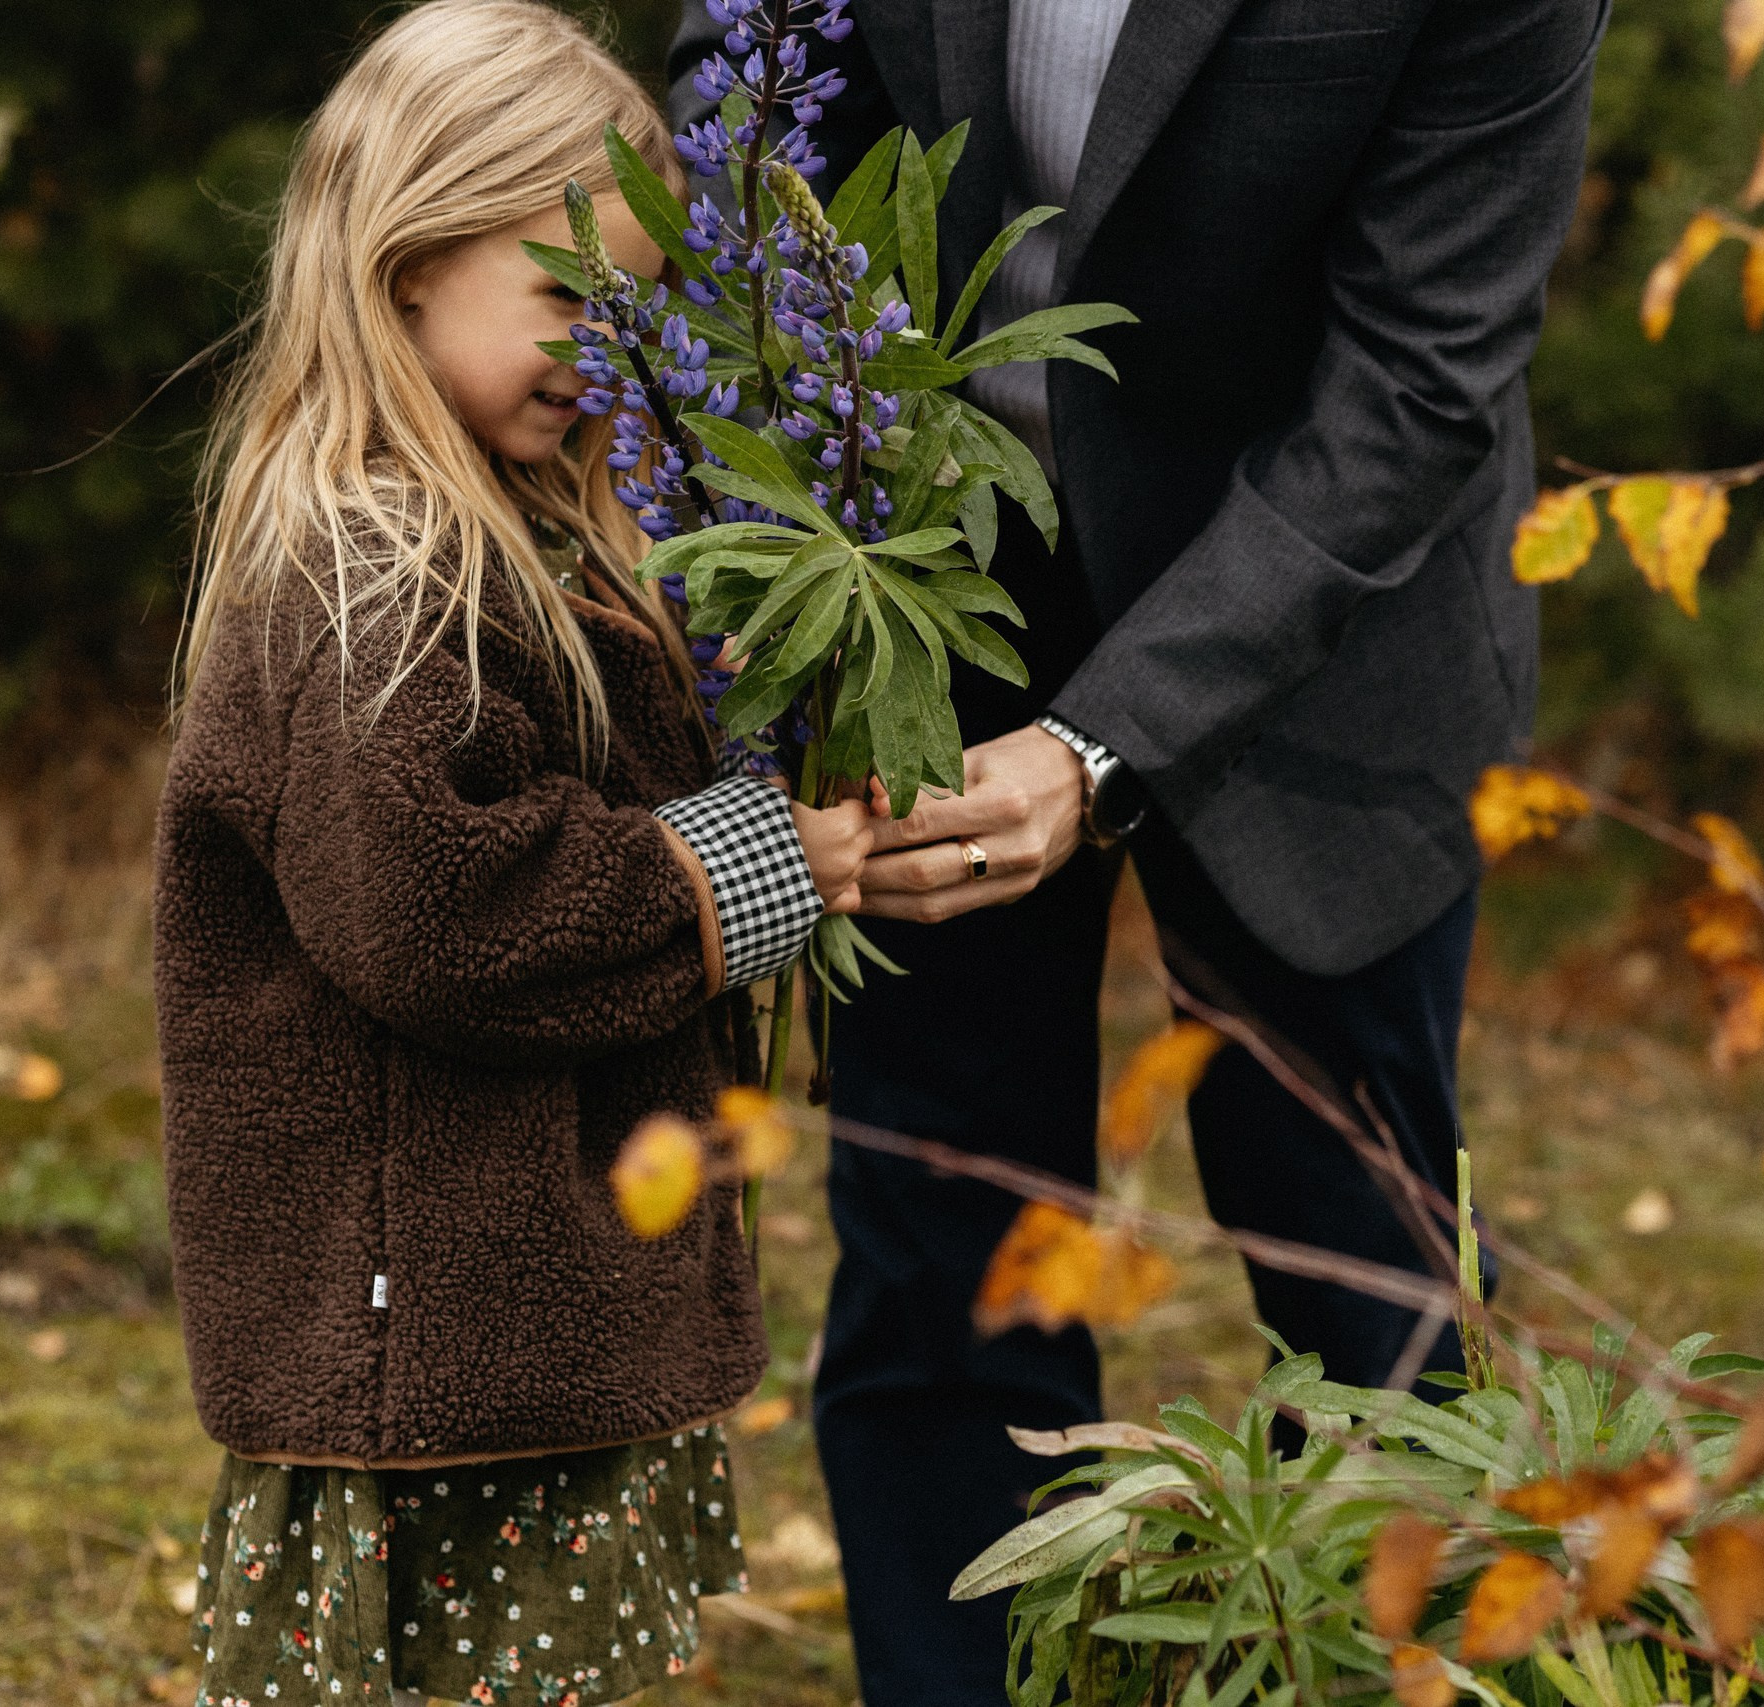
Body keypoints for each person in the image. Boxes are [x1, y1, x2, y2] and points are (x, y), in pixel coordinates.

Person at [670, 0, 1610, 1700]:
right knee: (937, 1244)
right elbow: (742, 90)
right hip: (923, 568)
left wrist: (1102, 750)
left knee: (1363, 1274)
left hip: (1330, 613)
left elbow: (1420, 373)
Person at [154, 4, 874, 1702]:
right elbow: (447, 913)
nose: (604, 348)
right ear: (406, 263)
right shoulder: (369, 578)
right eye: (567, 296)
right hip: (429, 1354)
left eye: (637, 308)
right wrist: (760, 864)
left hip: (520, 1316)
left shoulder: (532, 531)